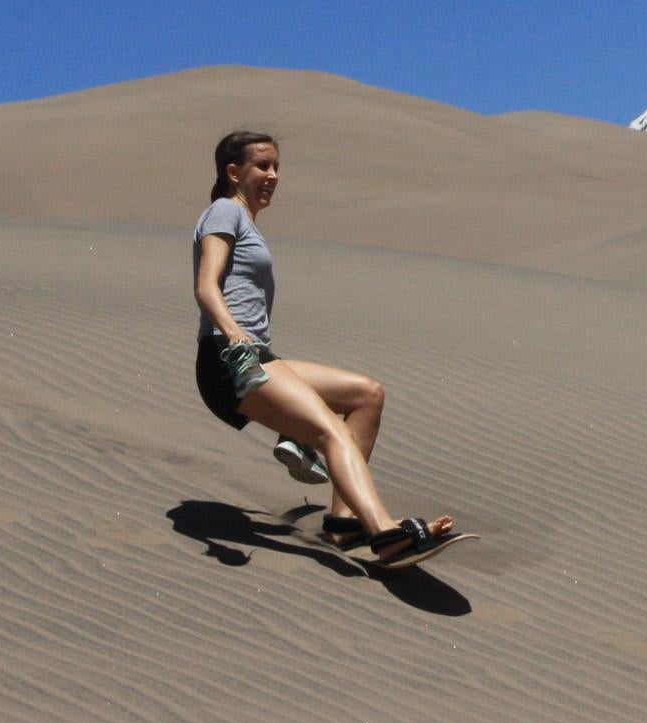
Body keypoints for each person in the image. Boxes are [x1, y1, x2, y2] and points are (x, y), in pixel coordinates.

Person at [192, 128, 462, 567]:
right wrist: (233, 331)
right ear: (232, 171)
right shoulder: (224, 211)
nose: (273, 175)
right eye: (263, 166)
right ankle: (385, 533)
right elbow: (206, 286)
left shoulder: (244, 220)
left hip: (257, 354)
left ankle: (344, 522)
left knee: (366, 395)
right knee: (330, 433)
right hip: (229, 358)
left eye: (277, 166)